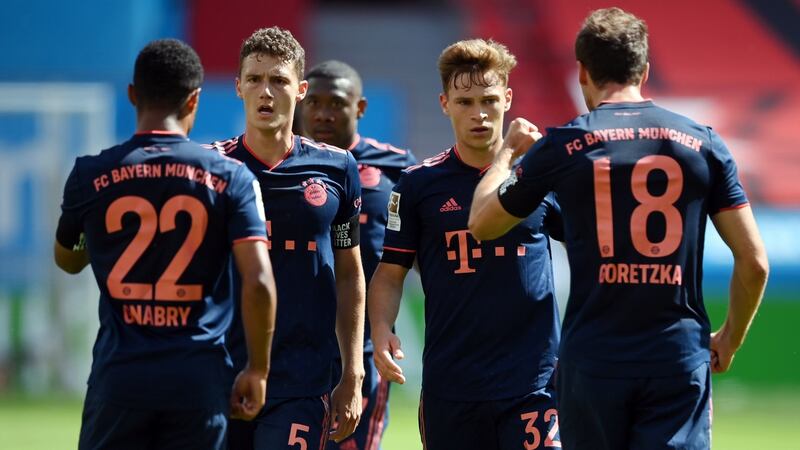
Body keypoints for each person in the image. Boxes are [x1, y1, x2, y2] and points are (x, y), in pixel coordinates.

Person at [469, 7, 769, 449]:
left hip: (594, 361)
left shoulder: (564, 145)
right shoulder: (703, 143)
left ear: (582, 72)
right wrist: (730, 337)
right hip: (675, 357)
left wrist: (505, 157)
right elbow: (755, 263)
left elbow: (482, 224)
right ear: (644, 71)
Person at [54, 39, 277, 450]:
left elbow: (67, 260)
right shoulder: (232, 178)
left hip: (119, 380)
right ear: (194, 100)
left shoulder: (91, 175)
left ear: (132, 94)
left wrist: (102, 237)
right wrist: (257, 370)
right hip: (198, 381)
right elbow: (259, 281)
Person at [368, 39, 563, 449]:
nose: (479, 113)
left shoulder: (540, 177)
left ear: (507, 98)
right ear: (444, 104)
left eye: (489, 100)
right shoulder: (418, 185)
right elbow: (390, 272)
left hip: (534, 382)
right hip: (453, 387)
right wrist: (381, 328)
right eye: (465, 102)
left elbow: (589, 248)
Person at [214, 28, 366, 449]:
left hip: (302, 380)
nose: (266, 92)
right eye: (255, 79)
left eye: (279, 80)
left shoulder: (338, 167)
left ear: (300, 90)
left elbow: (349, 273)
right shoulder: (212, 167)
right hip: (220, 372)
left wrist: (352, 372)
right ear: (239, 87)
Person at [299, 59, 418, 450]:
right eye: (314, 103)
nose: (323, 114)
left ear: (360, 107)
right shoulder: (287, 166)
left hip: (363, 345)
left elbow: (423, 248)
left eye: (336, 103)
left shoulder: (399, 167)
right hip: (297, 343)